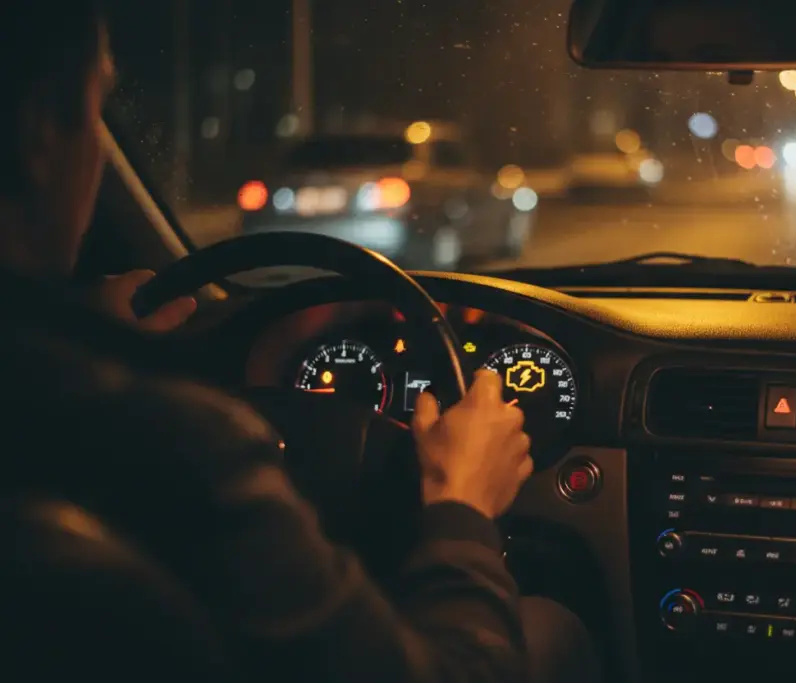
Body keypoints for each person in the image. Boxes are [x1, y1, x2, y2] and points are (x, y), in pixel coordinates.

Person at [0, 3, 601, 683]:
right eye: (95, 108)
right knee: (550, 625)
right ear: (41, 131)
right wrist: (461, 502)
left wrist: (84, 330)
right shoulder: (182, 450)